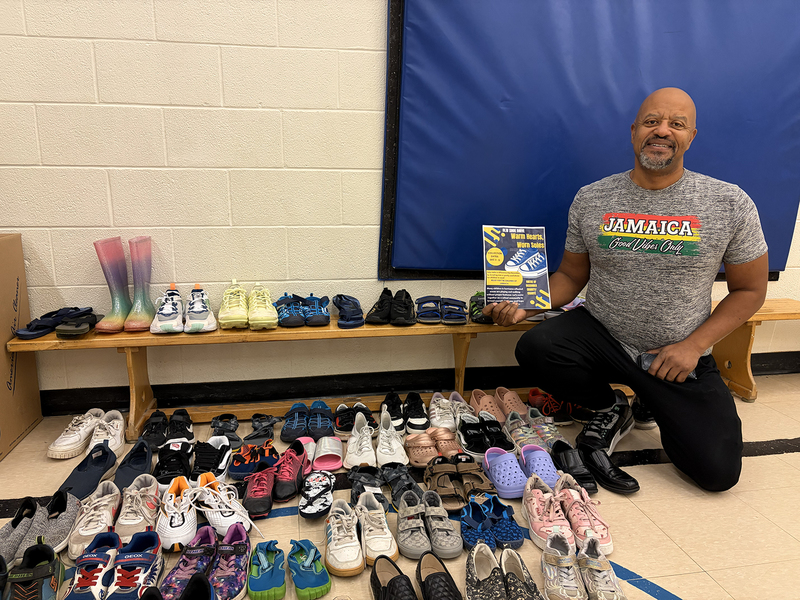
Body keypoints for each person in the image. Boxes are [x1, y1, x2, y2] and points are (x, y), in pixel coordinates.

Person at [484, 88, 768, 493]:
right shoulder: (593, 198)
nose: (662, 131)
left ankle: (651, 399)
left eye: (677, 124)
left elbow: (750, 290)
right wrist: (527, 302)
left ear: (692, 136)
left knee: (718, 473)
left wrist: (693, 346)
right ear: (634, 131)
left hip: (676, 353)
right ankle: (610, 405)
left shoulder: (728, 202)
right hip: (602, 335)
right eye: (652, 121)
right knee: (536, 347)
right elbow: (569, 276)